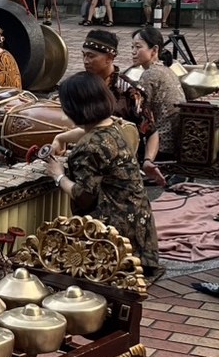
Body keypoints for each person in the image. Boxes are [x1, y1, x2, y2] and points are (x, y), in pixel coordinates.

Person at [45, 71, 160, 278]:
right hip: (141, 234)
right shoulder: (116, 126)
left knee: (52, 256)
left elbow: (84, 196)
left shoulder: (87, 149)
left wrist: (58, 175)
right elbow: (90, 132)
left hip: (116, 241)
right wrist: (62, 138)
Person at [62, 29, 165, 186]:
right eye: (84, 55)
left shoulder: (131, 92)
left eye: (91, 56)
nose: (85, 61)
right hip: (85, 155)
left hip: (119, 167)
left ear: (109, 58)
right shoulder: (81, 86)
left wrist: (148, 160)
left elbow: (151, 132)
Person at [130, 26, 183, 158]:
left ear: (154, 50)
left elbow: (139, 111)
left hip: (161, 144)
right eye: (132, 47)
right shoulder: (166, 69)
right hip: (175, 140)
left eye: (138, 47)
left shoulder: (150, 74)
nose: (133, 52)